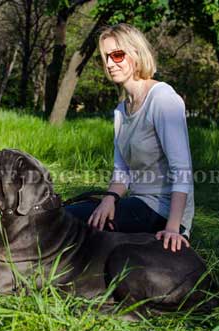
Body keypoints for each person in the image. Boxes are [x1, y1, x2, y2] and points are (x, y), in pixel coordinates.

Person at [65, 23, 195, 253]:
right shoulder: (120, 111)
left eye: (117, 55)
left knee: (71, 221)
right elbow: (121, 171)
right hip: (137, 203)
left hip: (164, 212)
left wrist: (174, 228)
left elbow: (182, 170)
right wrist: (109, 199)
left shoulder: (163, 99)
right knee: (73, 212)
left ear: (136, 53)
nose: (109, 63)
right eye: (105, 57)